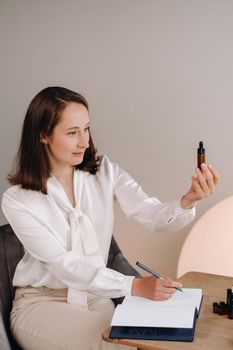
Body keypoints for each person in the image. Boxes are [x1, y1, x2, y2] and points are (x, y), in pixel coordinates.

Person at [1, 86, 219, 350]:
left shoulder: (104, 171)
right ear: (43, 135)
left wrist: (189, 200)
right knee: (113, 345)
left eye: (86, 128)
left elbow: (149, 213)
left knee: (145, 341)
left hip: (96, 296)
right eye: (72, 133)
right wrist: (135, 286)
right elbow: (63, 265)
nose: (85, 142)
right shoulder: (18, 199)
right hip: (42, 303)